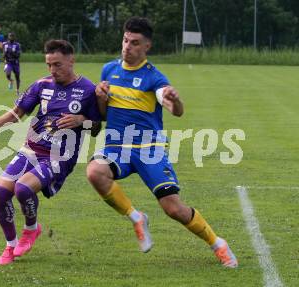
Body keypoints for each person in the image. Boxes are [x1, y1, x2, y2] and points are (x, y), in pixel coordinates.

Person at [86, 17, 238, 268]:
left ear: (147, 47)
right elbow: (103, 114)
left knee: (173, 209)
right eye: (125, 40)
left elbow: (173, 109)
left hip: (148, 149)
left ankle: (218, 244)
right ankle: (137, 218)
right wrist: (100, 96)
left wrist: (174, 100)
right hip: (117, 147)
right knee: (94, 172)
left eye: (135, 43)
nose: (127, 47)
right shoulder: (108, 70)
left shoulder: (154, 77)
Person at [0, 39, 101, 265]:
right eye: (49, 64)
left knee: (22, 188)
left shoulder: (88, 90)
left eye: (57, 64)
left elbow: (97, 127)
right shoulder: (42, 85)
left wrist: (81, 119)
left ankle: (31, 229)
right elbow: (16, 113)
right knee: (0, 193)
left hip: (60, 156)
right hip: (31, 149)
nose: (52, 70)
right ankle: (10, 246)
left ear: (71, 60)